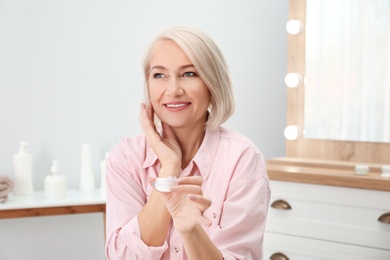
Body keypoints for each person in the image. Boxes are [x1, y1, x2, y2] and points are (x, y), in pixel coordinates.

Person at [105, 26, 271, 260]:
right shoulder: (125, 158)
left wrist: (191, 230)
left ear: (212, 84)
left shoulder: (241, 159)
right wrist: (169, 169)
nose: (173, 90)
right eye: (159, 75)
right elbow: (122, 257)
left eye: (189, 74)